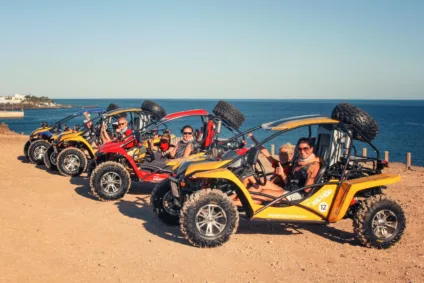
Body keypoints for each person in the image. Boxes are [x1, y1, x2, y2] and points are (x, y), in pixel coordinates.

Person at [244, 137, 320, 202]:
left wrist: (311, 176)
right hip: (288, 189)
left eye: (305, 149)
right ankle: (239, 200)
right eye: (300, 149)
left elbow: (307, 189)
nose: (302, 151)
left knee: (262, 191)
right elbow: (266, 154)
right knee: (252, 180)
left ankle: (238, 202)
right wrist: (253, 139)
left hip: (295, 193)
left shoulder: (311, 165)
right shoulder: (295, 163)